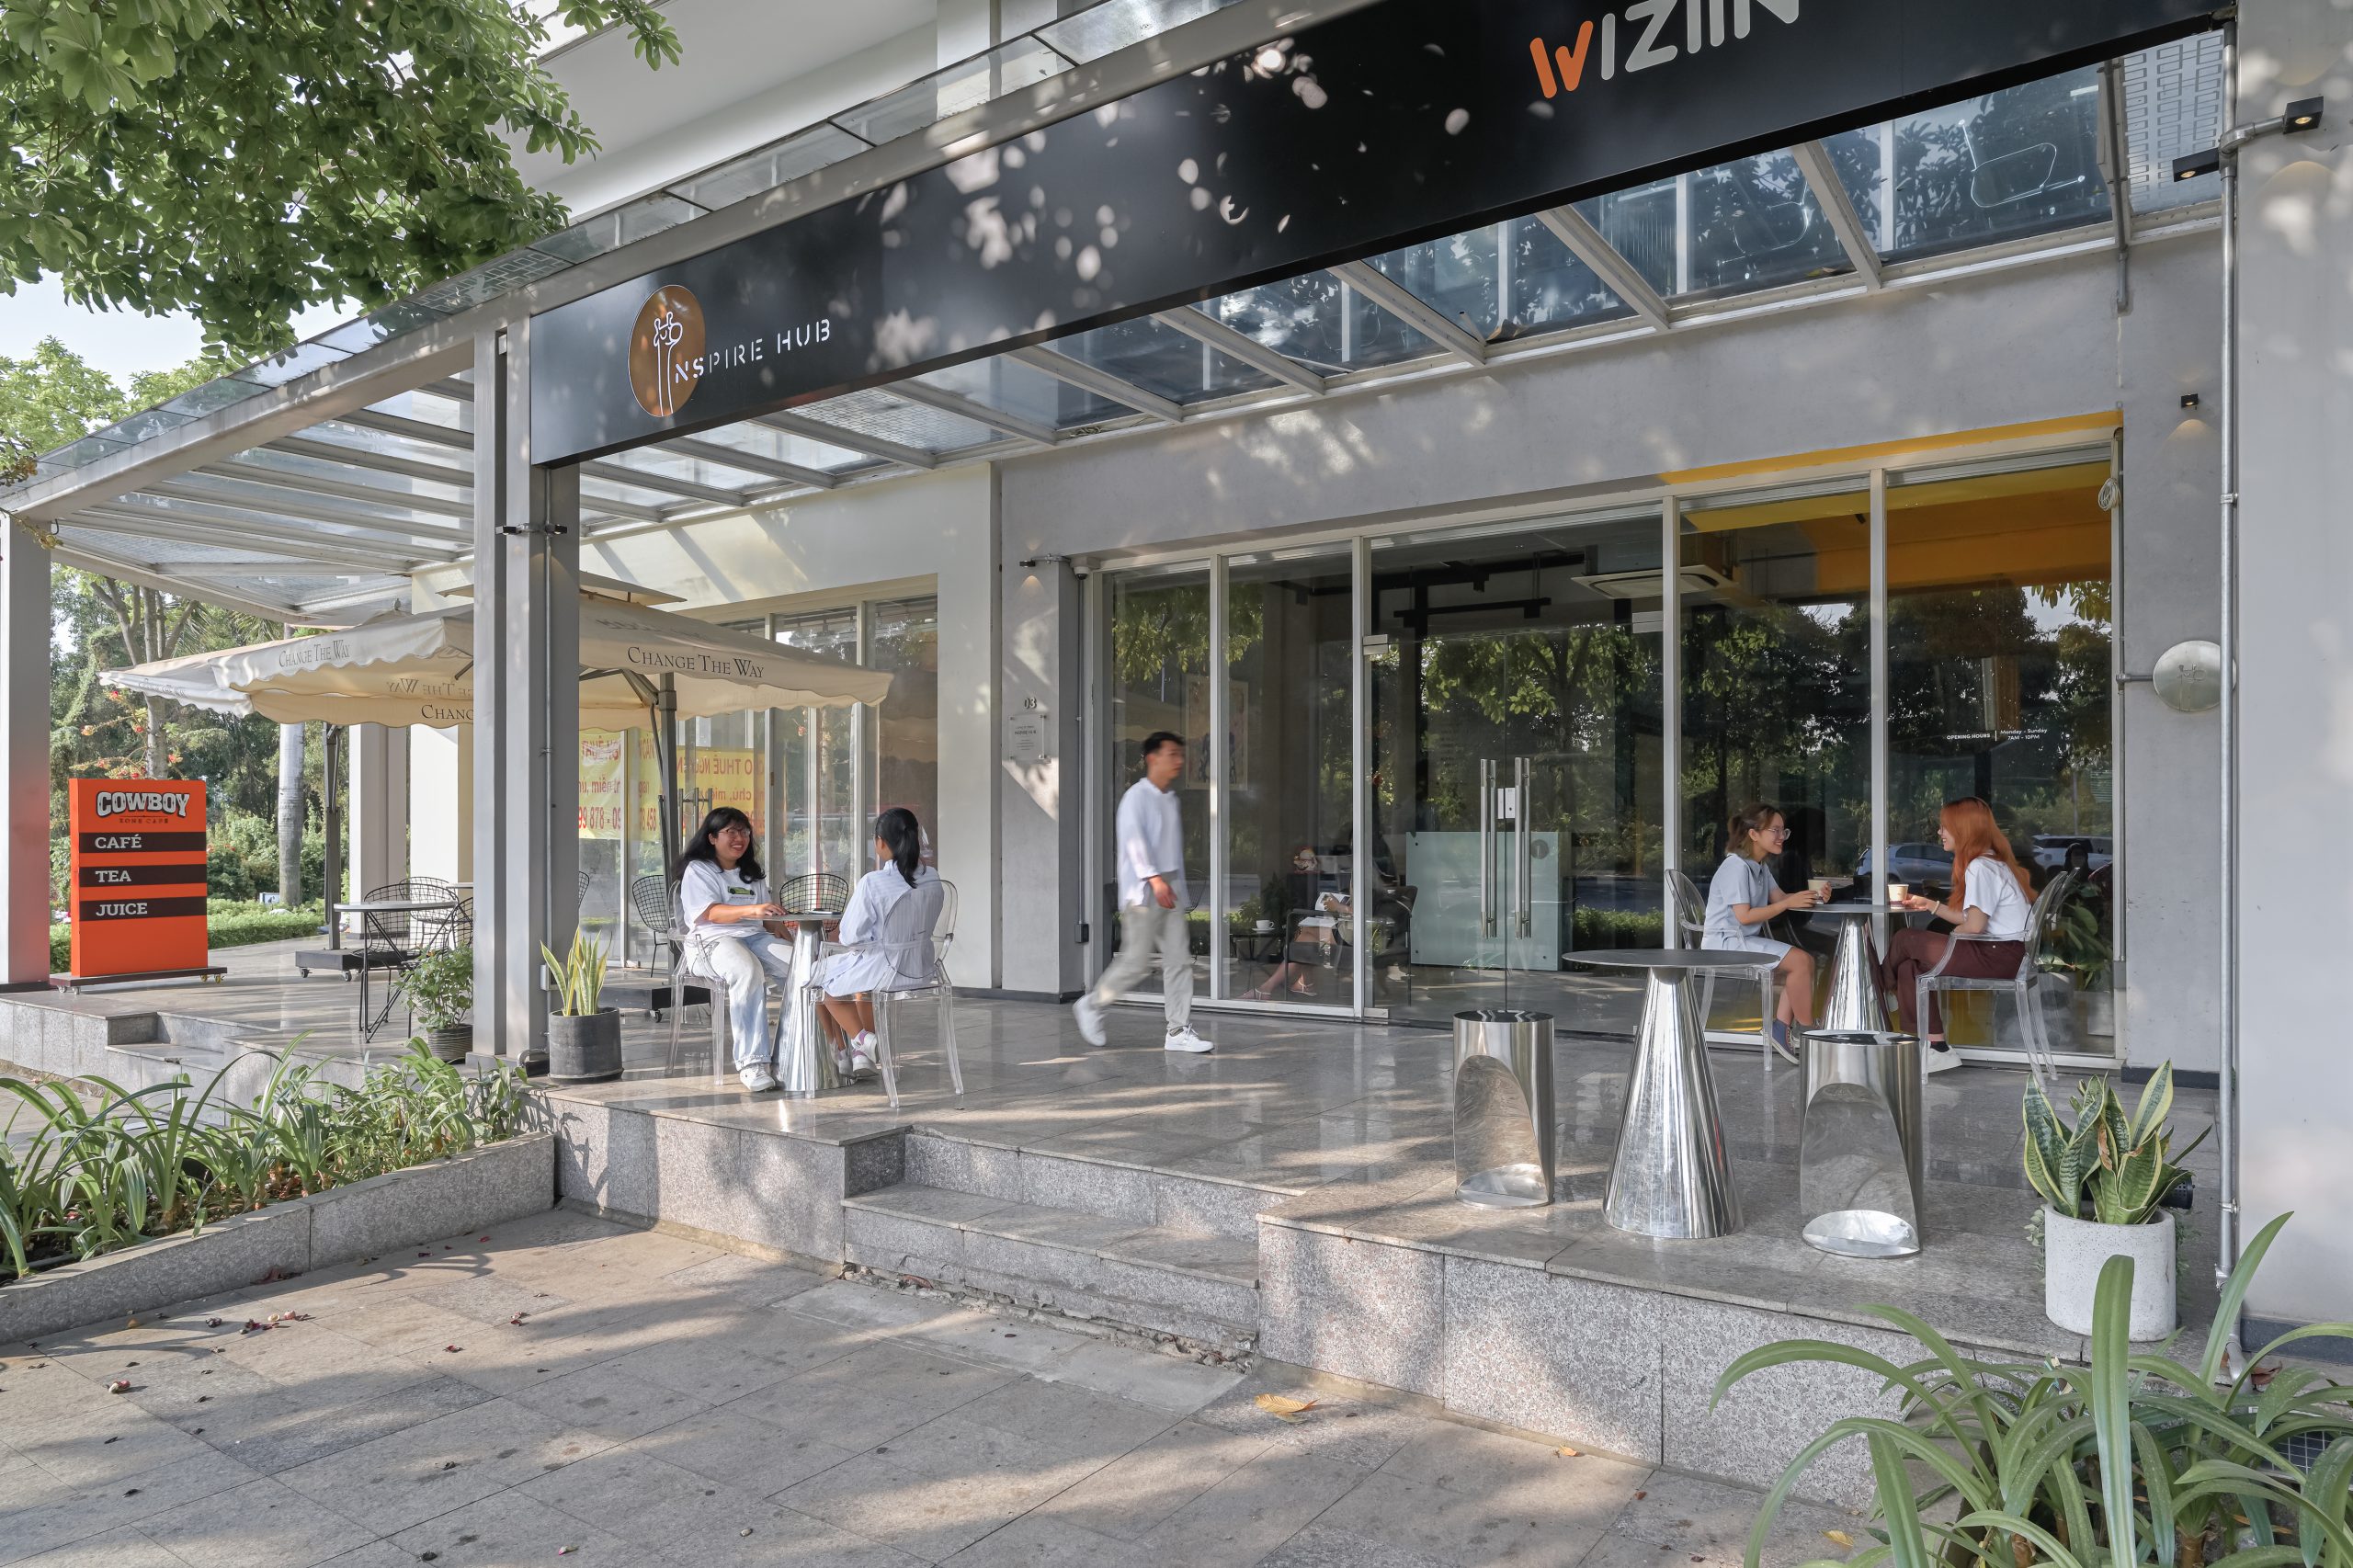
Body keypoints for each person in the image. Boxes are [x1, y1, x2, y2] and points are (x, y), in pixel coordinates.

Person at [1074, 732, 1214, 1052]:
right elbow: (1134, 842)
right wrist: (1155, 880)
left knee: (1179, 959)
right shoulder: (1136, 797)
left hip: (1169, 886)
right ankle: (1091, 1005)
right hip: (1144, 890)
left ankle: (1177, 1031)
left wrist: (1173, 886)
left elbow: (1171, 851)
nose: (1179, 760)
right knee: (1136, 962)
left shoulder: (1170, 799)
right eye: (1172, 754)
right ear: (1152, 758)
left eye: (1180, 754)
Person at [1881, 797, 2034, 1051]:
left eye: (1945, 826)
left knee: (1905, 938)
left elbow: (1973, 927)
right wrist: (1930, 905)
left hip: (1997, 955)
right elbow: (1973, 918)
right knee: (1909, 967)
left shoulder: (1980, 867)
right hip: (2005, 953)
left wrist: (1954, 935)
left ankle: (1878, 990)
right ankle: (1937, 1047)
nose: (1939, 832)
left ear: (1964, 829)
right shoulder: (1992, 862)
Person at [815, 807, 945, 1076]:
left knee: (818, 979)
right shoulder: (932, 876)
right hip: (922, 968)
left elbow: (850, 936)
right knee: (859, 984)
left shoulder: (874, 882)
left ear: (880, 842)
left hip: (887, 969)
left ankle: (860, 1041)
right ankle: (859, 1055)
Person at [675, 806, 795, 1092]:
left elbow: (767, 921)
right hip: (711, 943)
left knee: (802, 967)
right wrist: (754, 910)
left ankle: (796, 1052)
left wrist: (788, 933)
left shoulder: (751, 873)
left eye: (744, 831)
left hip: (755, 938)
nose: (740, 838)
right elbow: (711, 913)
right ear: (712, 837)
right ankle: (752, 1063)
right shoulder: (699, 870)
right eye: (731, 831)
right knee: (747, 969)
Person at [1702, 801, 1820, 1060]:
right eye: (1775, 831)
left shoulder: (1759, 866)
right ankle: (1810, 1034)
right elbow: (1744, 917)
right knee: (1800, 962)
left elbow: (1781, 898)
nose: (1782, 837)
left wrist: (1816, 895)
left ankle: (1782, 1028)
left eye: (1783, 831)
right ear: (1754, 834)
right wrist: (1787, 903)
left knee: (1804, 962)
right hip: (1723, 944)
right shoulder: (1735, 867)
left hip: (1742, 940)